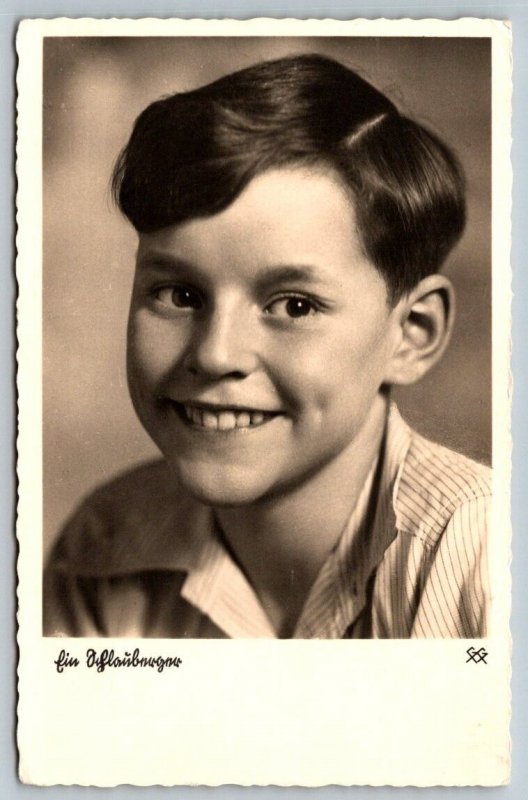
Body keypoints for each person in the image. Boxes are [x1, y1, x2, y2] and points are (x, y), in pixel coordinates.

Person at [43, 53, 491, 639]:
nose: (216, 354)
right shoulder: (101, 547)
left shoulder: (483, 558)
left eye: (294, 306)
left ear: (411, 334)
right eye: (179, 294)